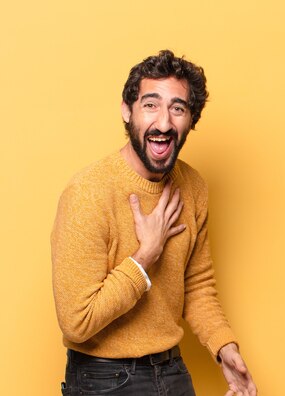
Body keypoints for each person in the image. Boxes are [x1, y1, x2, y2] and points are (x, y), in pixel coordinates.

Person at [51, 50, 257, 396]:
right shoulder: (87, 193)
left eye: (177, 108)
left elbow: (197, 286)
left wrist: (225, 350)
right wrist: (146, 256)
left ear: (191, 119)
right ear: (126, 110)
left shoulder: (192, 186)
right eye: (151, 105)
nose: (163, 122)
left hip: (172, 370)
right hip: (104, 379)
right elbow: (76, 322)